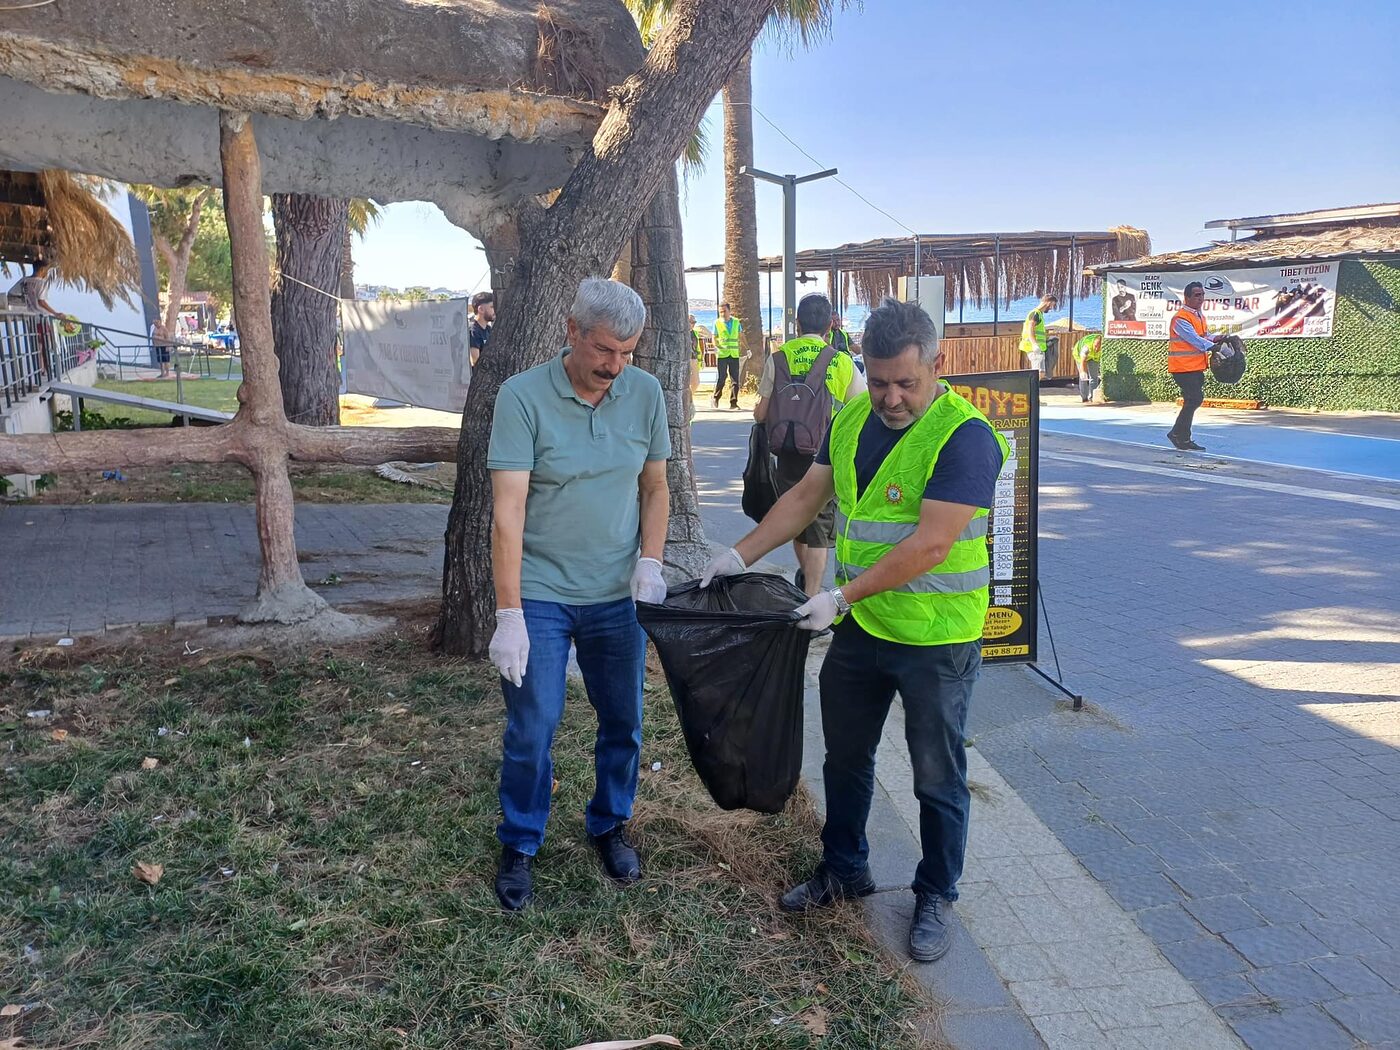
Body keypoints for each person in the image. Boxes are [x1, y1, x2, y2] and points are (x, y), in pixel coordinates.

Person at [702, 297, 1008, 964]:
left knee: (937, 775)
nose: (890, 398)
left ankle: (935, 892)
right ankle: (844, 868)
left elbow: (931, 545)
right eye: (877, 381)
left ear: (938, 365)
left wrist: (837, 598)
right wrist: (739, 554)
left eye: (905, 383)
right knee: (844, 760)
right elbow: (805, 499)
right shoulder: (849, 422)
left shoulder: (968, 437)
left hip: (936, 638)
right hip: (865, 629)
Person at [486, 277, 671, 911]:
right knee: (533, 726)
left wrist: (650, 562)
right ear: (571, 333)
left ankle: (609, 824)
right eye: (602, 350)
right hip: (539, 590)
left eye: (627, 352)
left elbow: (655, 489)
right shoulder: (521, 397)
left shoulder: (644, 394)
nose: (614, 367)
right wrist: (509, 613)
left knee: (624, 719)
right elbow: (508, 512)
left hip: (617, 593)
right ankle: (520, 841)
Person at [754, 293, 866, 597]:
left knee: (796, 517)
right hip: (824, 454)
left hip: (787, 453)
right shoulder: (841, 362)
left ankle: (805, 575)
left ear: (797, 323)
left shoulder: (778, 357)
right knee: (819, 525)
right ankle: (813, 593)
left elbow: (761, 413)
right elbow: (862, 410)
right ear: (830, 326)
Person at [1166, 281, 1228, 451]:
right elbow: (1193, 339)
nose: (1201, 298)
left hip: (1195, 367)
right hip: (1182, 367)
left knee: (1192, 400)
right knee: (1194, 399)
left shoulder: (1199, 316)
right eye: (1197, 295)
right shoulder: (1180, 318)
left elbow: (1204, 335)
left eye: (1202, 294)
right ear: (1187, 297)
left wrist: (1216, 338)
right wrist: (1214, 347)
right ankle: (1178, 434)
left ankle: (1182, 436)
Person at [712, 301, 744, 410]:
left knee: (735, 379)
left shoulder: (736, 322)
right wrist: (715, 346)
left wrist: (748, 348)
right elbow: (714, 336)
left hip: (734, 354)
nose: (722, 314)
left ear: (729, 311)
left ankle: (733, 403)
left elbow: (741, 335)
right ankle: (715, 398)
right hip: (722, 354)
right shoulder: (717, 323)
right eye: (720, 312)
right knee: (722, 378)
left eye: (724, 311)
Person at [1020, 294, 1057, 377]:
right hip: (1034, 348)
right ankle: (1030, 389)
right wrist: (1034, 344)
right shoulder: (1035, 314)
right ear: (1048, 302)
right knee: (1038, 373)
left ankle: (1031, 389)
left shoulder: (1039, 314)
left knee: (1040, 373)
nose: (1051, 308)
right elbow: (1030, 329)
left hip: (1038, 348)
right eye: (1052, 305)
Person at [1073, 331, 1103, 403]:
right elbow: (1083, 360)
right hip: (1079, 354)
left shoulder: (1104, 347)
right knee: (1083, 378)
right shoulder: (1086, 347)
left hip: (1094, 357)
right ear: (1093, 344)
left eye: (1099, 347)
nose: (1097, 349)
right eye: (1095, 346)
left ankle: (1092, 397)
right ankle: (1084, 397)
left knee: (1093, 377)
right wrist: (1083, 372)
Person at [469, 291, 495, 367]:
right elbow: (475, 361)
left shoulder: (488, 329)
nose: (494, 310)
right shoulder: (473, 332)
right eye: (492, 307)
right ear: (481, 309)